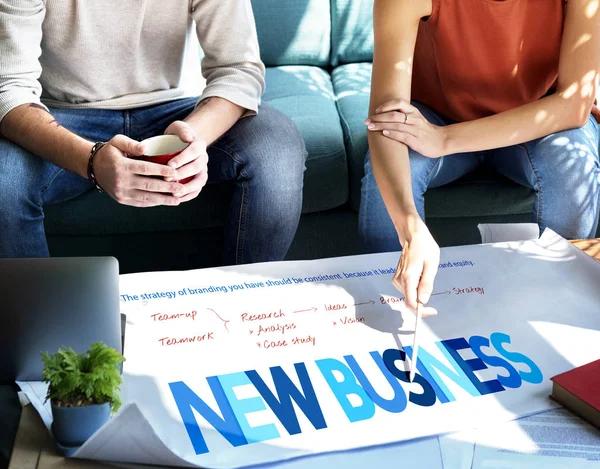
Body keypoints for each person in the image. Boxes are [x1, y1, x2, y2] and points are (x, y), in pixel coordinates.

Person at [0, 0, 306, 265]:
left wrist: (194, 137)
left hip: (176, 108)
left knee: (275, 146)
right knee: (4, 177)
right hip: (66, 115)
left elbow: (239, 68)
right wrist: (91, 160)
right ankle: (36, 329)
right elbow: (9, 90)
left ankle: (243, 314)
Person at [361, 0, 600, 313]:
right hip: (436, 116)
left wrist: (444, 140)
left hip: (535, 121)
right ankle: (390, 308)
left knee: (572, 168)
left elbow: (573, 105)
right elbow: (387, 118)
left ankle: (561, 309)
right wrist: (410, 229)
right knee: (392, 175)